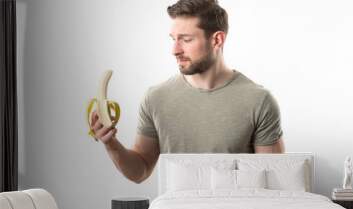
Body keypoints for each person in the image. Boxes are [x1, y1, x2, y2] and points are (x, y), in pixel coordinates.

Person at [89, 0, 285, 184]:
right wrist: (111, 143)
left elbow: (273, 183)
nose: (174, 50)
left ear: (217, 40)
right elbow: (140, 171)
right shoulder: (156, 98)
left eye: (186, 40)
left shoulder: (259, 101)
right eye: (173, 39)